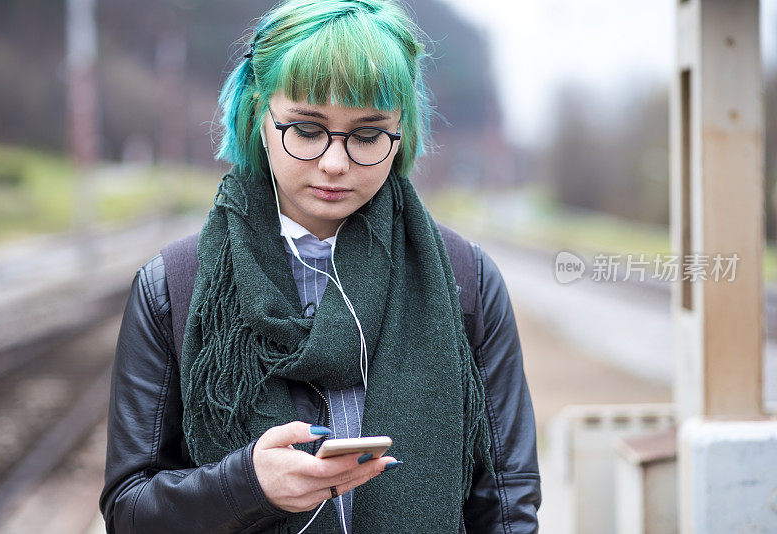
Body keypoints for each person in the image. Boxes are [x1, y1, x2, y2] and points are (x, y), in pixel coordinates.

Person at [99, 0, 541, 532]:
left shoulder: (464, 279)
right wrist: (247, 486)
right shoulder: (174, 284)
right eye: (307, 130)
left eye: (367, 135)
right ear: (257, 114)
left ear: (401, 132)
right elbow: (129, 510)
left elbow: (507, 501)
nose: (335, 163)